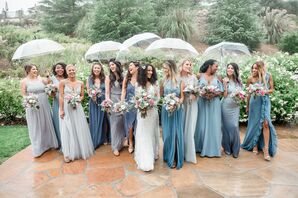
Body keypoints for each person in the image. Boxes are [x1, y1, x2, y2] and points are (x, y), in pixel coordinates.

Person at [241, 61, 277, 161]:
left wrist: (265, 91)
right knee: (255, 123)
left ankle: (266, 149)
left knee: (266, 123)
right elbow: (248, 93)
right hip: (254, 102)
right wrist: (247, 106)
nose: (254, 70)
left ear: (261, 68)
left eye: (256, 68)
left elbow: (272, 89)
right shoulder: (250, 78)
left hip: (265, 101)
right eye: (253, 68)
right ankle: (254, 144)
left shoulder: (268, 76)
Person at [20, 64, 58, 157]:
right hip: (33, 105)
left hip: (44, 103)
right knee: (36, 125)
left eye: (36, 69)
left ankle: (48, 144)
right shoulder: (24, 81)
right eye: (33, 69)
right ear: (28, 70)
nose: (36, 70)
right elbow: (24, 94)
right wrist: (29, 101)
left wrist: (48, 75)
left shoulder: (40, 79)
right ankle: (38, 148)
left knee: (45, 123)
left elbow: (49, 82)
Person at [59, 64, 94, 162]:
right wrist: (61, 110)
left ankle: (79, 150)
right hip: (66, 108)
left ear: (75, 70)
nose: (71, 72)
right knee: (67, 128)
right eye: (69, 70)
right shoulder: (62, 83)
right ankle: (67, 153)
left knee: (78, 127)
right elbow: (61, 97)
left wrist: (77, 99)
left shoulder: (80, 83)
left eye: (73, 70)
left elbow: (82, 95)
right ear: (66, 71)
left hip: (77, 108)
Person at [194, 59, 223, 157]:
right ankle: (199, 146)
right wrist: (203, 94)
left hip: (214, 103)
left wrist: (213, 94)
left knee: (213, 125)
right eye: (216, 66)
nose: (217, 68)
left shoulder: (218, 77)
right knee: (201, 125)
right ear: (210, 66)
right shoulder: (199, 76)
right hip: (202, 103)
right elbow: (195, 89)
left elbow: (221, 91)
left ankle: (212, 148)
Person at [134, 64, 160, 171]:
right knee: (143, 133)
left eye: (151, 70)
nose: (150, 72)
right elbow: (136, 99)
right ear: (143, 72)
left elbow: (158, 98)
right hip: (142, 112)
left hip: (152, 112)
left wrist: (151, 104)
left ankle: (152, 153)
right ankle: (145, 159)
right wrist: (141, 105)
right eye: (148, 71)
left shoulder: (155, 84)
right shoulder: (138, 84)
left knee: (151, 133)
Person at [161, 60, 185, 169]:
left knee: (175, 134)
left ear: (171, 68)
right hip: (166, 110)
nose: (164, 70)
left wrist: (177, 102)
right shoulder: (163, 81)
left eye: (165, 68)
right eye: (163, 68)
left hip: (177, 110)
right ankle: (167, 155)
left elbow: (182, 97)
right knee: (167, 134)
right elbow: (161, 96)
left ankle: (175, 157)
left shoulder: (180, 81)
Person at [86, 62, 109, 149]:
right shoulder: (89, 78)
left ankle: (103, 138)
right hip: (93, 101)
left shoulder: (105, 78)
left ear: (101, 69)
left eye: (98, 68)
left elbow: (107, 91)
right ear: (92, 69)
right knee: (94, 120)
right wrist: (92, 96)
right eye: (95, 68)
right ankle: (95, 139)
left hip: (102, 100)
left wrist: (106, 101)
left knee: (103, 120)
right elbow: (88, 90)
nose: (96, 69)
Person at [179, 59, 198, 164]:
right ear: (181, 65)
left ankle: (189, 153)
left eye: (190, 64)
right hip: (182, 104)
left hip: (192, 105)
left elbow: (198, 90)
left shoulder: (193, 77)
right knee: (181, 126)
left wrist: (194, 94)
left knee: (190, 127)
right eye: (187, 64)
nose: (189, 66)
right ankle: (181, 151)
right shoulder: (177, 78)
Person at [221, 63, 242, 158]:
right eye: (228, 68)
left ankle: (235, 149)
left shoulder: (239, 81)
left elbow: (242, 95)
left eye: (232, 68)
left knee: (234, 126)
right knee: (226, 127)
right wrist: (225, 85)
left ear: (235, 70)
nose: (229, 69)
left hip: (235, 106)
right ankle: (227, 147)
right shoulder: (224, 80)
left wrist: (240, 95)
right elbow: (224, 95)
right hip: (226, 105)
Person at [105, 59, 125, 156]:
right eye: (110, 65)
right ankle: (115, 147)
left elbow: (125, 90)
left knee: (121, 123)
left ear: (117, 65)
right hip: (113, 101)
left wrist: (122, 103)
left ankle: (121, 143)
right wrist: (108, 102)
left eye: (113, 64)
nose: (111, 67)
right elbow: (107, 92)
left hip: (122, 101)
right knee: (114, 124)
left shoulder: (123, 76)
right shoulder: (108, 77)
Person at [121, 61, 139, 154]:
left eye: (131, 65)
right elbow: (124, 90)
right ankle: (130, 142)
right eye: (129, 66)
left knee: (138, 124)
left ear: (137, 68)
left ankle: (138, 142)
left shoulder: (141, 79)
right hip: (129, 105)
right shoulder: (127, 78)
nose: (129, 67)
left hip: (139, 105)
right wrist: (121, 102)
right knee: (130, 126)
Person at [50, 62, 67, 147]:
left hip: (68, 102)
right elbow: (50, 95)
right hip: (57, 101)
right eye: (57, 68)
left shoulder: (67, 77)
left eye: (61, 68)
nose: (60, 69)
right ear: (55, 69)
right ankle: (60, 142)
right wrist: (52, 92)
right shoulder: (52, 79)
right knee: (58, 121)